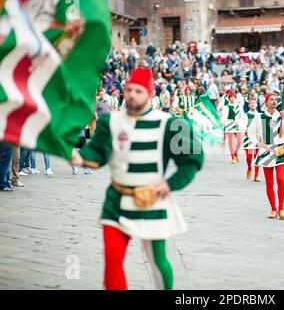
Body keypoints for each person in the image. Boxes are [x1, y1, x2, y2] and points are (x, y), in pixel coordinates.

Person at [70, 67, 204, 290]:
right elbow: (97, 154)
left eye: (138, 91)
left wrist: (170, 184)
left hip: (151, 200)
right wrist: (80, 157)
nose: (131, 94)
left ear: (150, 94)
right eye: (128, 89)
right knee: (112, 262)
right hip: (116, 201)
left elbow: (192, 160)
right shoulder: (110, 122)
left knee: (157, 262)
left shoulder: (169, 123)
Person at [254, 93, 284, 220]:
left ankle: (281, 209)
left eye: (276, 100)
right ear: (266, 103)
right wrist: (258, 143)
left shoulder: (281, 116)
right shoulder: (259, 117)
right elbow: (250, 132)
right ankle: (273, 209)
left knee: (280, 179)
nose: (274, 101)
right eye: (271, 99)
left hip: (280, 151)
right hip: (266, 151)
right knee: (269, 183)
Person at [240, 97, 262, 182]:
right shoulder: (245, 116)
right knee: (249, 158)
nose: (253, 104)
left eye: (254, 103)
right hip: (249, 139)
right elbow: (242, 126)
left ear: (256, 105)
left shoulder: (260, 115)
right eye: (251, 103)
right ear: (249, 105)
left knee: (257, 157)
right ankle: (249, 167)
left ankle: (256, 175)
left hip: (258, 139)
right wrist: (247, 132)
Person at [221, 91, 244, 163]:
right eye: (231, 97)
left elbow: (242, 115)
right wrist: (223, 122)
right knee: (230, 143)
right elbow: (223, 117)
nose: (232, 98)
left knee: (239, 142)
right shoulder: (226, 107)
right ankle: (232, 158)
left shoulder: (239, 106)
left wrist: (239, 121)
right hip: (229, 125)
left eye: (233, 97)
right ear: (229, 98)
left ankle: (236, 153)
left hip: (237, 125)